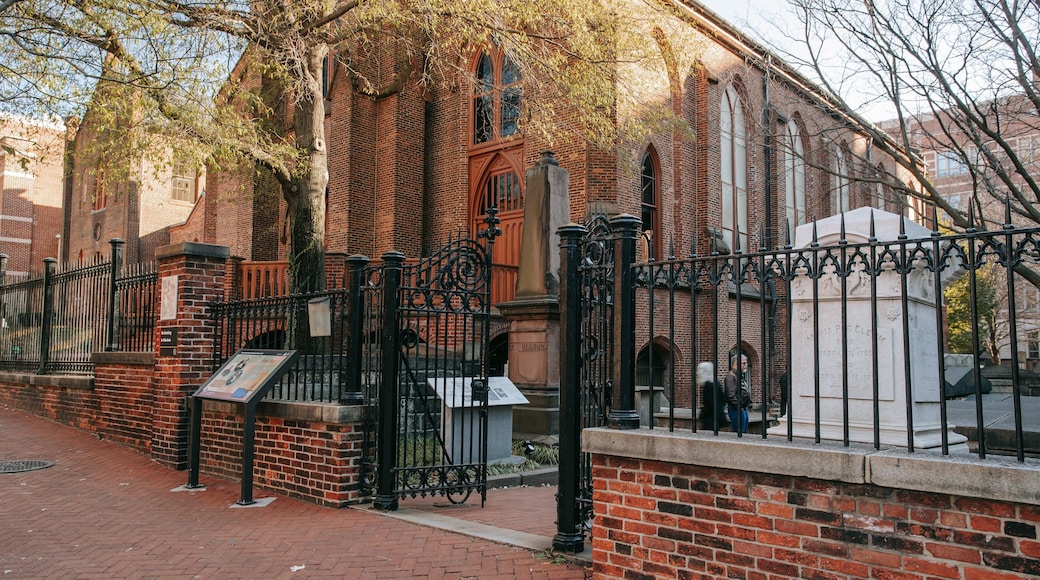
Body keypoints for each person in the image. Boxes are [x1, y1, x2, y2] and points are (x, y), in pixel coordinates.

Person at [696, 362, 729, 431]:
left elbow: (710, 404)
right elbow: (723, 400)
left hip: (710, 419)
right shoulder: (717, 383)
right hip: (719, 417)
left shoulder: (708, 385)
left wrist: (702, 414)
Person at [724, 355, 751, 434]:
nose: (745, 365)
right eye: (743, 363)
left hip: (741, 407)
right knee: (739, 432)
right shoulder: (731, 377)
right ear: (736, 363)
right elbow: (731, 395)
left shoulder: (738, 375)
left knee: (743, 432)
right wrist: (739, 407)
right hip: (737, 409)